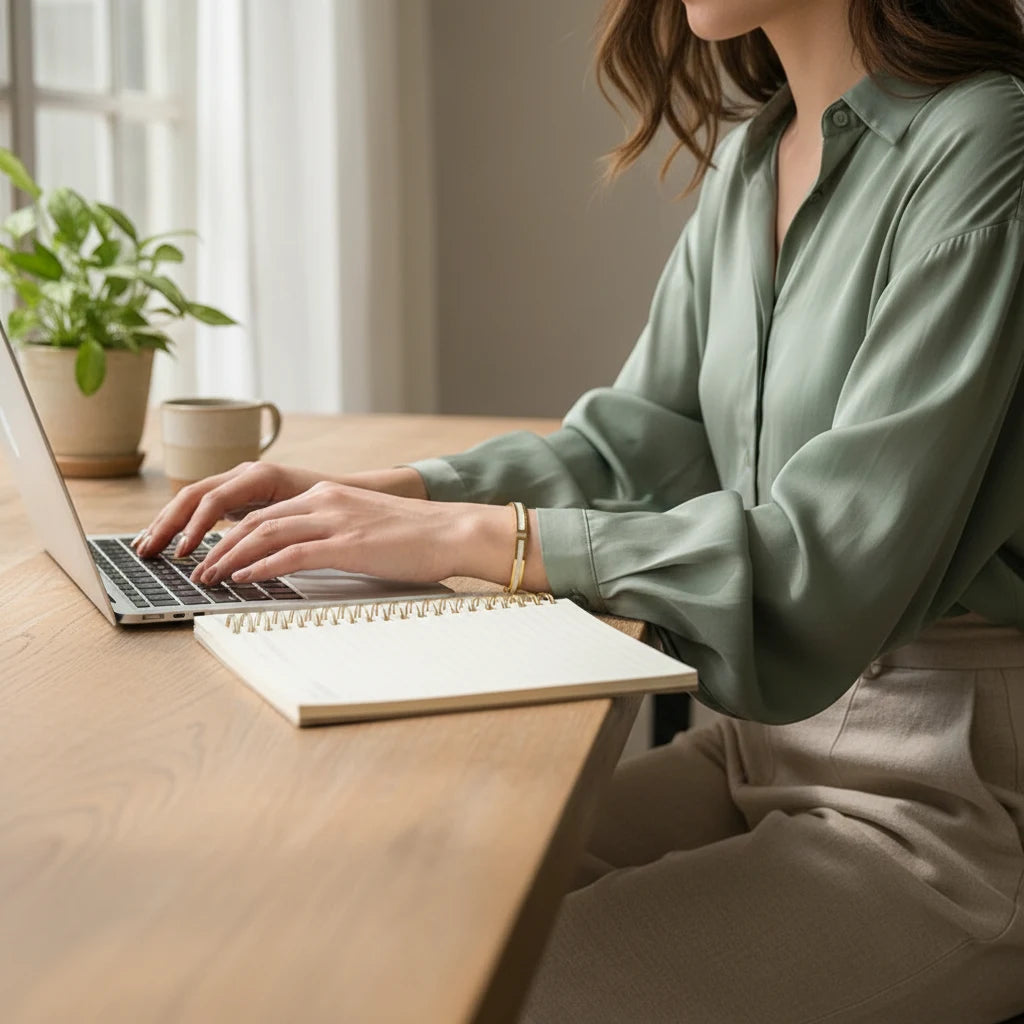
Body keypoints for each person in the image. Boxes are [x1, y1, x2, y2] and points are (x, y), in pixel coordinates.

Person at [137, 0, 1024, 1019]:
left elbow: (826, 569)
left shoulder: (984, 142)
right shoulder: (753, 162)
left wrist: (481, 538)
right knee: (374, 901)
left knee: (503, 988)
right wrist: (384, 498)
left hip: (946, 805)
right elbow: (639, 442)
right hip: (750, 746)